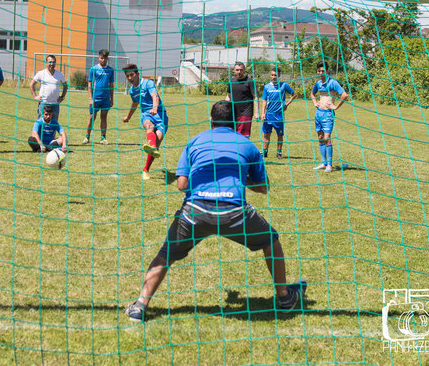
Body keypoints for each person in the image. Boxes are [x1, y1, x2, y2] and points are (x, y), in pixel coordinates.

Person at [124, 101, 307, 322]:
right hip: (234, 212)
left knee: (165, 254)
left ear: (210, 120)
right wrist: (240, 177)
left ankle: (140, 306)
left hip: (195, 211)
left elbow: (181, 185)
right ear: (235, 121)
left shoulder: (195, 141)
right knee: (271, 240)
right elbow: (264, 187)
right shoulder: (247, 144)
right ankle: (285, 297)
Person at [122, 63, 168, 180]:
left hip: (160, 114)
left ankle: (146, 168)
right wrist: (128, 117)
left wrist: (155, 108)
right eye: (127, 76)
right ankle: (151, 146)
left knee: (157, 141)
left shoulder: (148, 83)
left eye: (131, 75)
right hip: (146, 114)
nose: (130, 78)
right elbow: (135, 103)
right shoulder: (132, 90)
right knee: (148, 124)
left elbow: (155, 96)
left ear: (137, 73)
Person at [309, 61, 348, 173]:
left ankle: (330, 165)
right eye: (319, 71)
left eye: (323, 71)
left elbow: (344, 95)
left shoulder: (333, 82)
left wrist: (336, 106)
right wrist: (314, 102)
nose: (321, 73)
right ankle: (324, 163)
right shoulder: (318, 83)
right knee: (320, 138)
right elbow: (312, 94)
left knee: (327, 138)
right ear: (317, 71)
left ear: (327, 71)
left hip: (328, 114)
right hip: (318, 113)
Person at [260, 66, 297, 159]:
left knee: (279, 135)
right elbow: (264, 100)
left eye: (275, 75)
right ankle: (264, 152)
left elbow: (294, 94)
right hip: (268, 115)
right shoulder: (266, 87)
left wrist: (287, 104)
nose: (273, 77)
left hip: (279, 116)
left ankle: (279, 153)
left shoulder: (284, 85)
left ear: (279, 75)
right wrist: (263, 113)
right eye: (272, 75)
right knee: (266, 134)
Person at [82, 49, 115, 145]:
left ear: (107, 58)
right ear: (98, 58)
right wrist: (90, 98)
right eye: (101, 58)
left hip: (106, 98)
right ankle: (87, 137)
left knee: (104, 117)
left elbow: (111, 85)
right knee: (92, 117)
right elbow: (90, 85)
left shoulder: (110, 70)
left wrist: (111, 99)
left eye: (105, 58)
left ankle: (103, 138)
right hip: (95, 98)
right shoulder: (93, 69)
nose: (103, 60)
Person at [225, 61, 259, 138]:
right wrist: (225, 109)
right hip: (233, 112)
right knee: (233, 135)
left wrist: (257, 113)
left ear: (244, 70)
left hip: (246, 113)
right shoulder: (232, 81)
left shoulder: (250, 81)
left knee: (244, 137)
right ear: (234, 70)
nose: (239, 72)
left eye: (241, 70)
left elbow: (255, 97)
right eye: (237, 70)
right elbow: (228, 96)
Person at [30, 54, 67, 122]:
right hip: (43, 103)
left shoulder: (59, 74)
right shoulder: (41, 73)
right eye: (50, 62)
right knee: (41, 124)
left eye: (53, 62)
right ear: (46, 63)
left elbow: (65, 86)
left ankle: (53, 133)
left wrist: (62, 97)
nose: (51, 64)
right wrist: (35, 96)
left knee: (54, 125)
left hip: (55, 103)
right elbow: (32, 84)